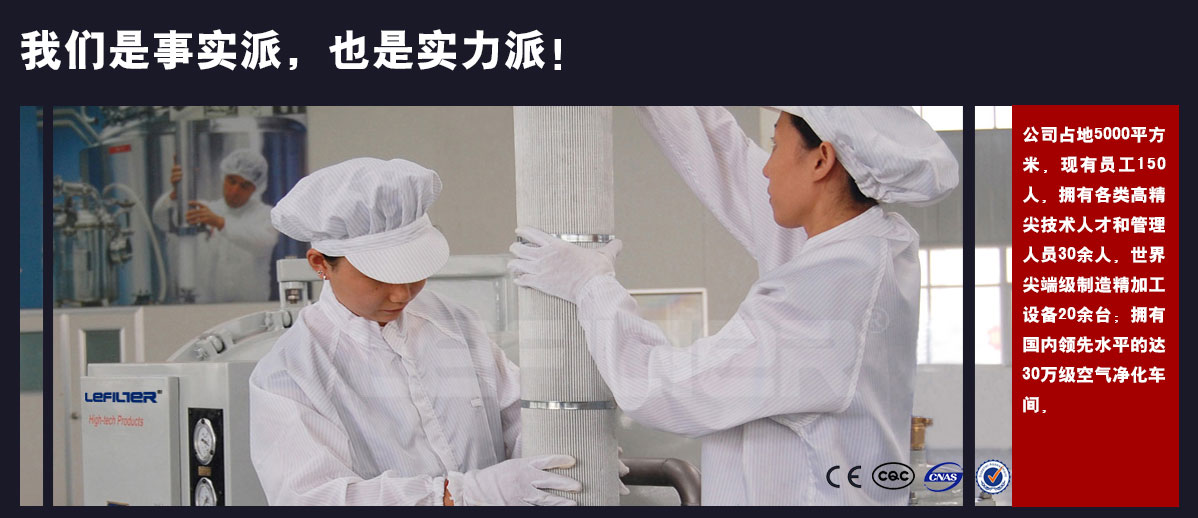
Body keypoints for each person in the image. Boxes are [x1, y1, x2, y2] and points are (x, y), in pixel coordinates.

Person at [508, 106, 958, 505]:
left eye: (775, 146)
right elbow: (724, 159)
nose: (766, 167)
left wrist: (592, 287)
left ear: (822, 160)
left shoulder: (828, 292)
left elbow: (661, 389)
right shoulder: (860, 246)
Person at [249, 157, 584, 506]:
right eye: (379, 277)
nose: (401, 294)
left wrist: (574, 457)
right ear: (320, 263)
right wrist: (459, 495)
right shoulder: (290, 373)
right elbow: (312, 499)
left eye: (412, 271)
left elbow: (522, 417)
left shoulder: (453, 322)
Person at [151, 148, 278, 303]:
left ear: (256, 188)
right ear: (223, 178)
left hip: (250, 308)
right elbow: (161, 220)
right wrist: (174, 194)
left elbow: (264, 242)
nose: (235, 190)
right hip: (206, 308)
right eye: (232, 181)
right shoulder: (205, 209)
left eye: (244, 186)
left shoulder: (265, 214)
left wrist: (220, 223)